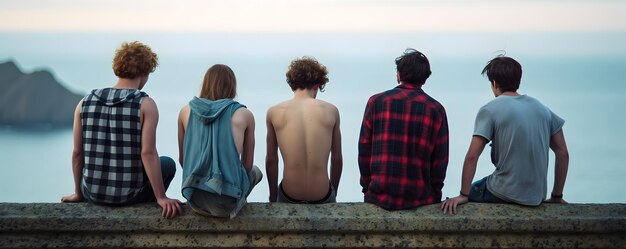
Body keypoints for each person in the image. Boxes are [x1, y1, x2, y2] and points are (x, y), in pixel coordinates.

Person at [61, 41, 182, 218]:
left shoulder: (84, 102)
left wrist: (78, 193)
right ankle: (150, 205)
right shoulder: (145, 104)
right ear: (145, 72)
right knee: (168, 163)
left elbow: (77, 153)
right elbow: (148, 153)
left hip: (92, 195)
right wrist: (161, 197)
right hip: (128, 197)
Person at [441, 56, 569, 215]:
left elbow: (472, 156)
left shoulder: (490, 109)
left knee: (471, 191)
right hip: (536, 197)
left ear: (494, 83)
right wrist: (557, 196)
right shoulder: (542, 109)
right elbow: (562, 153)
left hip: (503, 191)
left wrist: (463, 195)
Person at [358, 48, 449, 211]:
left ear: (399, 75)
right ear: (425, 78)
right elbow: (440, 159)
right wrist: (435, 194)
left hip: (379, 195)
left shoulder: (376, 102)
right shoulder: (436, 109)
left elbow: (364, 148)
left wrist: (367, 187)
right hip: (420, 197)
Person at [178, 64, 262, 218]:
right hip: (226, 202)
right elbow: (247, 166)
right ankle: (237, 204)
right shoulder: (244, 114)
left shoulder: (185, 111)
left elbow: (183, 160)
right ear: (232, 86)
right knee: (256, 172)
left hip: (195, 199)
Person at [266, 57, 343, 204]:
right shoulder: (331, 111)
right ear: (317, 85)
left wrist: (272, 196)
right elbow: (337, 158)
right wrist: (333, 192)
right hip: (322, 193)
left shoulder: (274, 112)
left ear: (292, 84)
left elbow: (271, 159)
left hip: (289, 193)